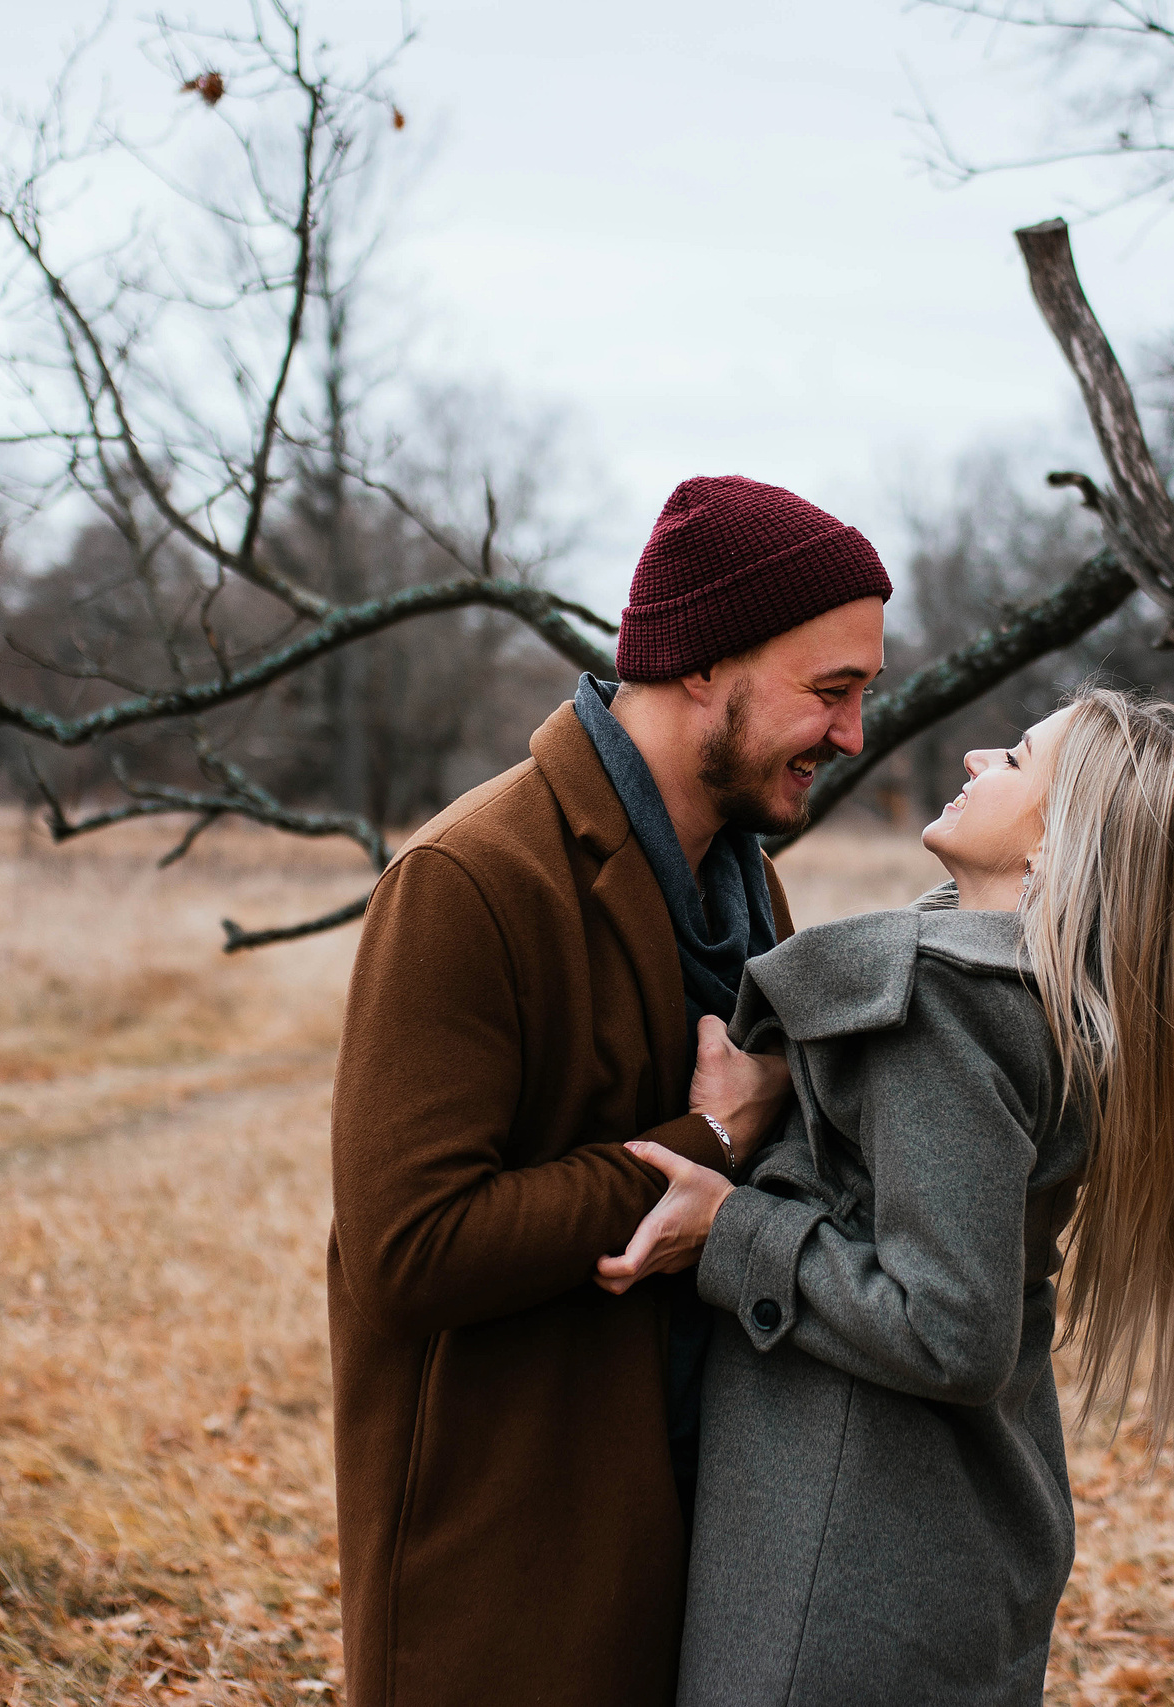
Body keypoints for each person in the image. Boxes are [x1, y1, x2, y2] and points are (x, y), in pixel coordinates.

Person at [325, 476, 888, 1707]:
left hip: (695, 1562)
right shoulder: (469, 879)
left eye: (863, 695)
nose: (852, 736)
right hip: (506, 1589)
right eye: (829, 691)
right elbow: (408, 1252)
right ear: (702, 662)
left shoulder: (748, 892)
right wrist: (712, 1135)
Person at [598, 686, 1174, 1707]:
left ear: (1055, 847)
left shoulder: (943, 1002)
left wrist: (729, 1225)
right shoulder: (1051, 1004)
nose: (979, 757)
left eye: (1018, 759)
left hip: (847, 1566)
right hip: (948, 1534)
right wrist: (795, 1086)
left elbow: (953, 1328)